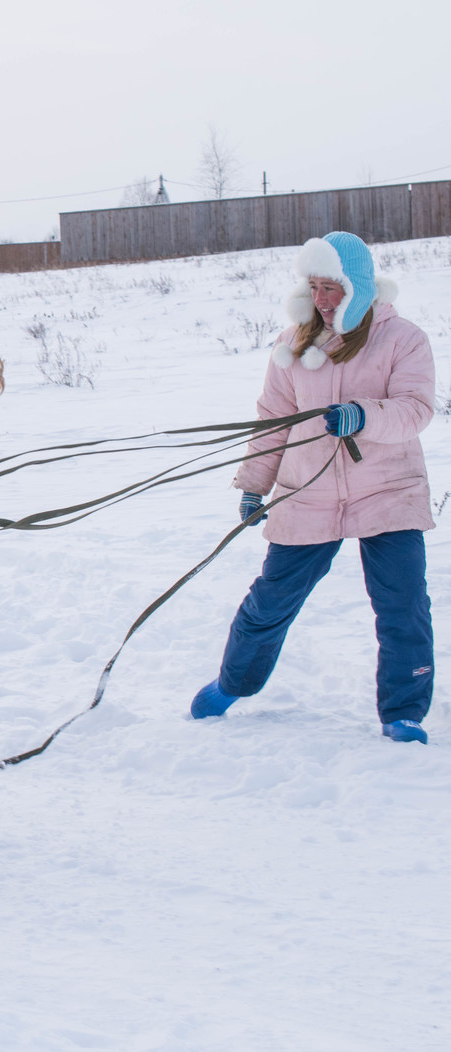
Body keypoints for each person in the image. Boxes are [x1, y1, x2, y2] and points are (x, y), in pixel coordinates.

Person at [190, 231, 435, 742]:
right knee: (271, 599)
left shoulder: (403, 338)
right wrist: (255, 482)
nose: (323, 301)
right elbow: (273, 418)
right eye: (316, 287)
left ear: (360, 287)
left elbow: (416, 410)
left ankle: (404, 712)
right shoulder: (292, 343)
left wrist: (362, 414)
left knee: (402, 604)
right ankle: (233, 683)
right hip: (308, 490)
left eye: (335, 289)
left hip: (388, 489)